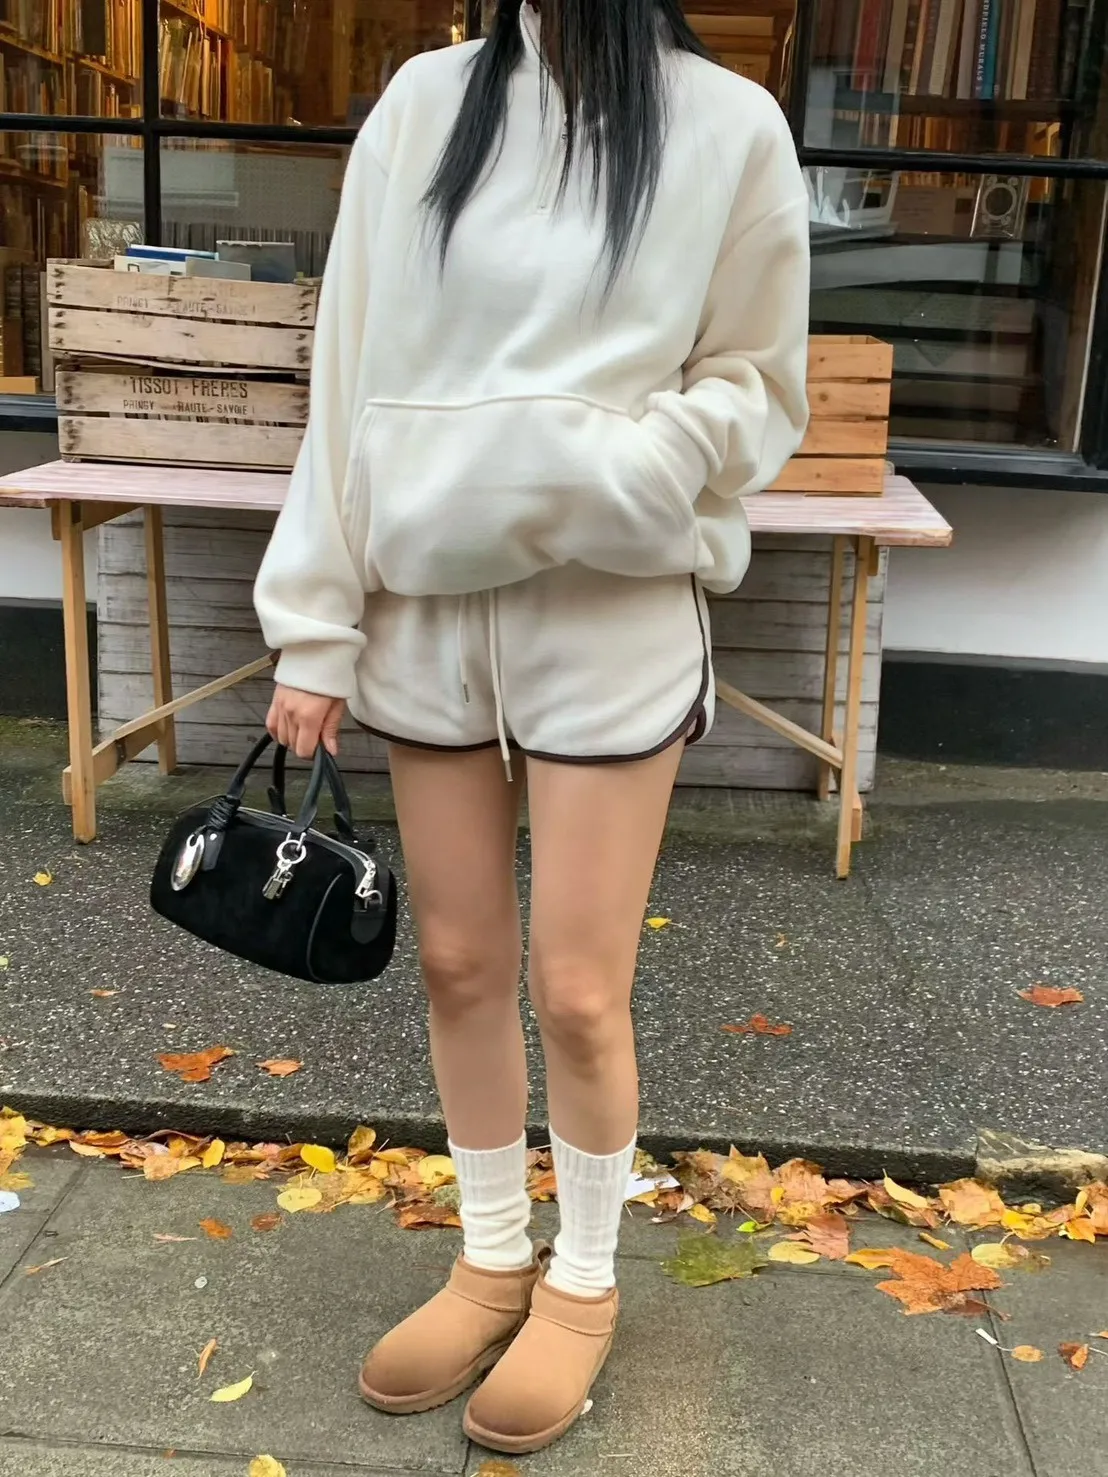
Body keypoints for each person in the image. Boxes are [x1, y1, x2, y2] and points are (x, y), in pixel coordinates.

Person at [254, 0, 810, 1455]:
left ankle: (584, 1277)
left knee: (577, 988)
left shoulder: (727, 123)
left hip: (608, 609)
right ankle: (492, 1251)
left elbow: (758, 384)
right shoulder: (423, 105)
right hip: (429, 605)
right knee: (453, 962)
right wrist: (314, 620)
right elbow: (346, 372)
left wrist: (628, 471)